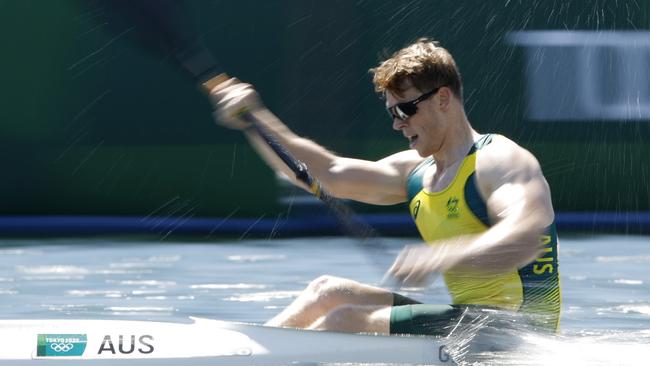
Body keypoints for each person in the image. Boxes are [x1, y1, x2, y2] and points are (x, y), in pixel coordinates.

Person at [209, 38, 561, 336]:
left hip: (518, 331)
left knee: (345, 320)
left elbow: (526, 236)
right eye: (392, 113)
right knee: (327, 291)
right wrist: (255, 122)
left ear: (442, 98)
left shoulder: (499, 160)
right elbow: (326, 172)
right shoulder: (418, 173)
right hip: (467, 321)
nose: (397, 124)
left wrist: (443, 254)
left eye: (405, 110)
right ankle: (246, 354)